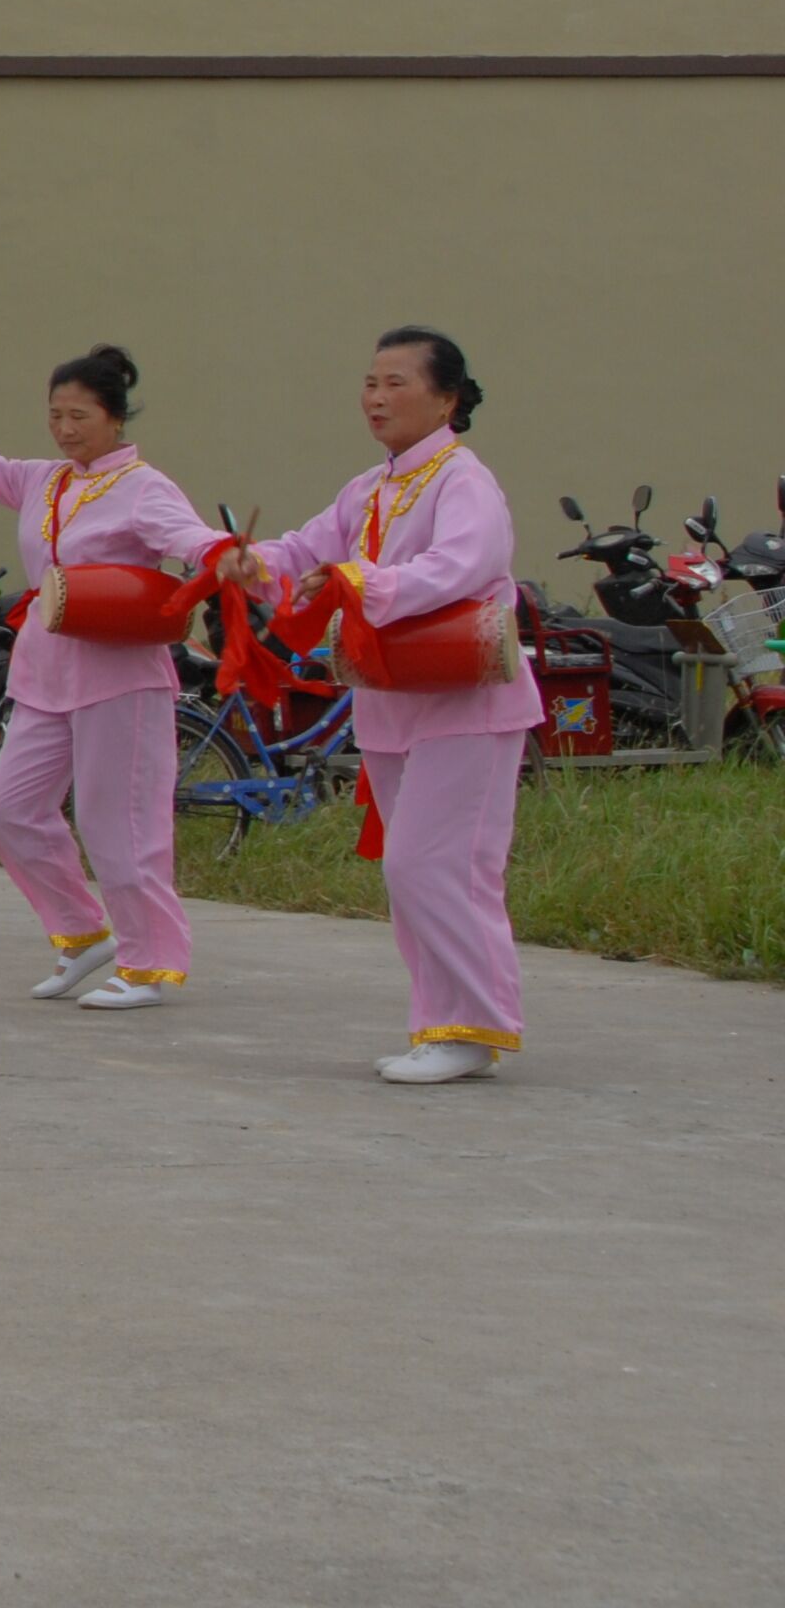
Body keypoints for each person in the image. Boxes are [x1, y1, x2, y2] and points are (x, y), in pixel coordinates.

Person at [241, 328, 535, 1084]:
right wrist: (249, 563)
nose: (376, 397)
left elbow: (461, 567)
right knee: (418, 873)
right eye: (370, 382)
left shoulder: (463, 480)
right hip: (394, 699)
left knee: (436, 865)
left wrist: (357, 581)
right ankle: (449, 1023)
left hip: (466, 698)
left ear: (446, 398)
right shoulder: (368, 489)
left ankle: (477, 1023)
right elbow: (305, 553)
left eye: (396, 382)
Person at [0, 343, 217, 1008]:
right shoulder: (44, 480)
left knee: (118, 824)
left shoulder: (143, 487)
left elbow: (190, 538)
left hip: (119, 674)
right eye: (56, 415)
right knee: (9, 809)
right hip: (45, 673)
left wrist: (226, 558)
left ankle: (149, 961)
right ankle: (79, 932)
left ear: (115, 420)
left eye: (80, 417)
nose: (66, 430)